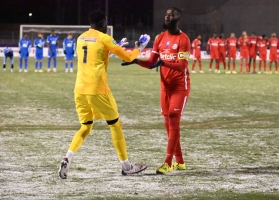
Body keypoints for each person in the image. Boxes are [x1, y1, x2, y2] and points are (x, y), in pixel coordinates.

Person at [58, 10, 150, 179]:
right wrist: (139, 48)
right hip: (98, 90)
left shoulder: (81, 38)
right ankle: (127, 167)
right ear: (102, 23)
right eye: (105, 23)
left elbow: (96, 54)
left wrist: (114, 47)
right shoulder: (104, 38)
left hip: (79, 90)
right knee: (115, 125)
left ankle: (67, 158)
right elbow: (129, 57)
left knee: (86, 126)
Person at [122, 7, 190, 174]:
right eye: (166, 15)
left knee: (173, 119)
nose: (167, 17)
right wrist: (136, 61)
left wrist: (164, 63)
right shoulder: (160, 38)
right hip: (164, 86)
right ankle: (180, 161)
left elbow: (182, 66)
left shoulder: (184, 39)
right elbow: (152, 62)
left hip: (180, 86)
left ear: (178, 19)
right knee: (168, 123)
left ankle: (168, 162)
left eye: (171, 15)